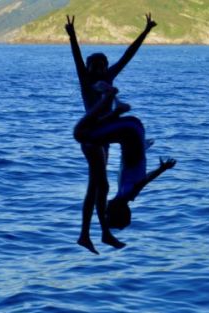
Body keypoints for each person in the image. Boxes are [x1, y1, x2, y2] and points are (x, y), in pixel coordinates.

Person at [65, 13, 156, 254]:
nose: (99, 69)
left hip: (102, 137)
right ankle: (90, 234)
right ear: (89, 68)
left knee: (101, 187)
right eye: (95, 66)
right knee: (96, 186)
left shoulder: (108, 77)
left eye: (102, 65)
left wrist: (145, 31)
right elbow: (76, 58)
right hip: (94, 137)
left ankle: (96, 233)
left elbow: (128, 55)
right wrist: (72, 36)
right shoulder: (86, 81)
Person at [73, 82, 176, 233]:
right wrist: (161, 169)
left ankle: (113, 104)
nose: (105, 211)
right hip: (130, 132)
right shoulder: (127, 194)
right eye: (108, 215)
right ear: (118, 212)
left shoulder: (127, 194)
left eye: (105, 215)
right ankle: (110, 99)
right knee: (81, 134)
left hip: (135, 132)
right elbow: (143, 182)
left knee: (91, 137)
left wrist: (162, 168)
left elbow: (144, 179)